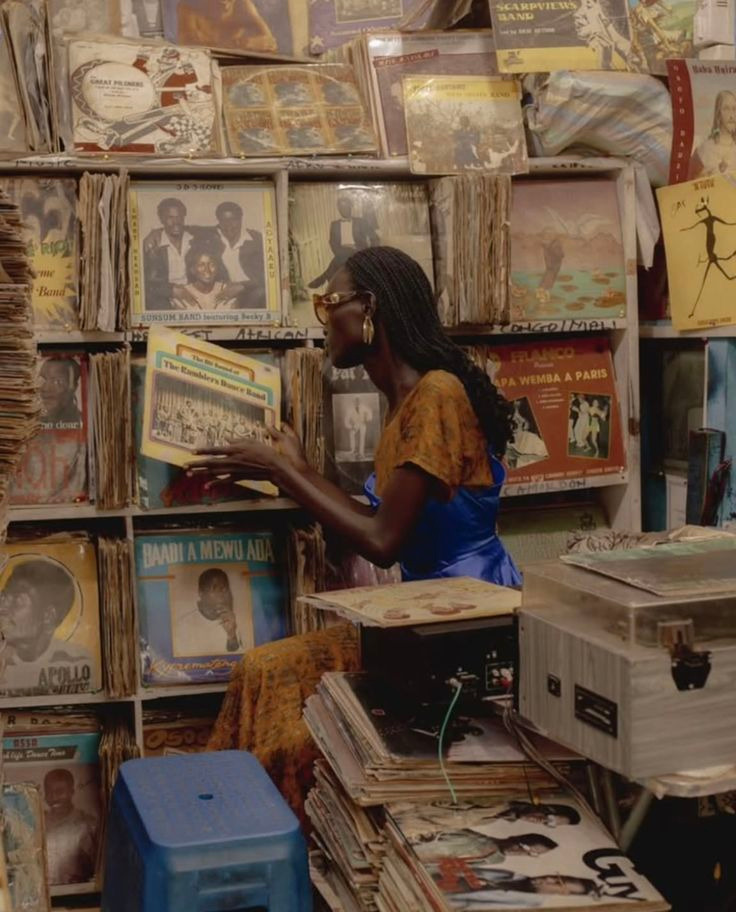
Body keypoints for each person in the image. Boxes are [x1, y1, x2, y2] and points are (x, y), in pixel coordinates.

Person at [188, 246, 520, 584]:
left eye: (328, 304)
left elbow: (382, 542)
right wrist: (299, 469)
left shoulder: (435, 393)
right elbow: (377, 519)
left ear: (368, 307)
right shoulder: (406, 400)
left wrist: (277, 469)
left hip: (474, 596)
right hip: (438, 594)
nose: (323, 324)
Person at [0, 560, 93, 691]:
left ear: (48, 616)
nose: (1, 608)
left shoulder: (77, 662)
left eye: (17, 600)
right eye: (3, 597)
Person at [308, 195, 380, 289]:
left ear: (350, 206)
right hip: (342, 252)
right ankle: (325, 278)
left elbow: (375, 237)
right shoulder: (334, 224)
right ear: (338, 209)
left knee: (337, 260)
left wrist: (369, 252)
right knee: (342, 255)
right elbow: (332, 242)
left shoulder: (361, 222)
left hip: (358, 251)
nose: (343, 210)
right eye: (341, 208)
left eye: (346, 207)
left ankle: (324, 277)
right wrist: (338, 252)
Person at [43, 768, 97, 884]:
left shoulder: (89, 825)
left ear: (71, 792)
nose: (53, 798)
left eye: (59, 792)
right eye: (49, 792)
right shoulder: (38, 824)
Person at [172, 568, 243, 656]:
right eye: (214, 589)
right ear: (201, 593)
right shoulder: (184, 624)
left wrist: (231, 634)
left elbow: (239, 658)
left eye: (224, 589)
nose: (221, 594)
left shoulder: (234, 623)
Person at [143, 197, 195, 310]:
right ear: (161, 219)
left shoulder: (194, 239)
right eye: (170, 217)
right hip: (164, 299)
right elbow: (146, 282)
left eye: (179, 216)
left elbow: (216, 228)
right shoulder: (153, 246)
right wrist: (171, 291)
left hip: (193, 296)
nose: (176, 222)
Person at [176, 0, 277, 53]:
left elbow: (271, 44)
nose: (225, 4)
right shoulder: (188, 8)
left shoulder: (243, 4)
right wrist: (244, 43)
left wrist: (240, 44)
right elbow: (188, 51)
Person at [411, 829, 557, 864]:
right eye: (525, 846)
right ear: (515, 838)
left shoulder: (495, 860)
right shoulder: (470, 836)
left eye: (531, 853)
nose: (520, 852)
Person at [689, 90, 736, 179]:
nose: (731, 115)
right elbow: (686, 182)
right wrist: (700, 178)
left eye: (734, 109)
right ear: (718, 113)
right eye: (726, 109)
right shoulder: (704, 149)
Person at [39, 358, 82, 426]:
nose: (45, 388)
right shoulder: (30, 424)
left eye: (57, 382)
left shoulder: (82, 422)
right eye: (42, 380)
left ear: (73, 387)